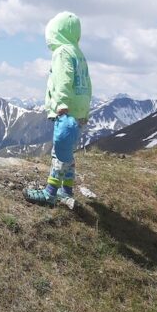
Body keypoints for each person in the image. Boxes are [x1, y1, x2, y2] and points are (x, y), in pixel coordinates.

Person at [25, 11, 92, 207]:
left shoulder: (62, 52)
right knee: (68, 152)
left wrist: (61, 104)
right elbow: (87, 83)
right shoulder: (79, 54)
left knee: (58, 152)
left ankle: (50, 192)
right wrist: (85, 111)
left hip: (66, 111)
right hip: (78, 112)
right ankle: (66, 190)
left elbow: (63, 79)